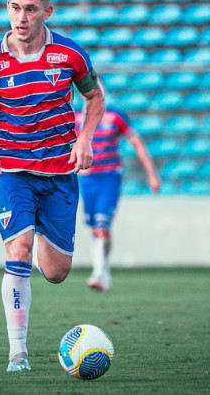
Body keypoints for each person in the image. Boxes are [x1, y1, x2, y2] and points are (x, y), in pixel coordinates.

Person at [0, 0, 105, 373]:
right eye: (15, 7)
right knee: (17, 251)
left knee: (55, 272)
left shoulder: (70, 55)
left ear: (47, 12)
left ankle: (38, 244)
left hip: (59, 174)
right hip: (12, 173)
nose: (21, 17)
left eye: (31, 9)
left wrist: (85, 138)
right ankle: (17, 353)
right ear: (8, 9)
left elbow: (95, 96)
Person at [75, 104, 161, 292]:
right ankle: (103, 271)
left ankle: (99, 272)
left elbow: (136, 142)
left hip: (109, 177)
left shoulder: (114, 116)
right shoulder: (77, 118)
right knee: (94, 228)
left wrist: (152, 173)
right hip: (86, 179)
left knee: (102, 226)